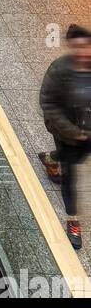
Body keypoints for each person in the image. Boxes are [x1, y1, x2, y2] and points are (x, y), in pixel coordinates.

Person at [39, 24, 91, 249]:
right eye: (77, 47)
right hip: (66, 132)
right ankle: (73, 220)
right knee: (71, 175)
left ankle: (51, 159)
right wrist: (72, 131)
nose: (82, 52)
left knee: (75, 158)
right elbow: (47, 102)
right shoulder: (59, 70)